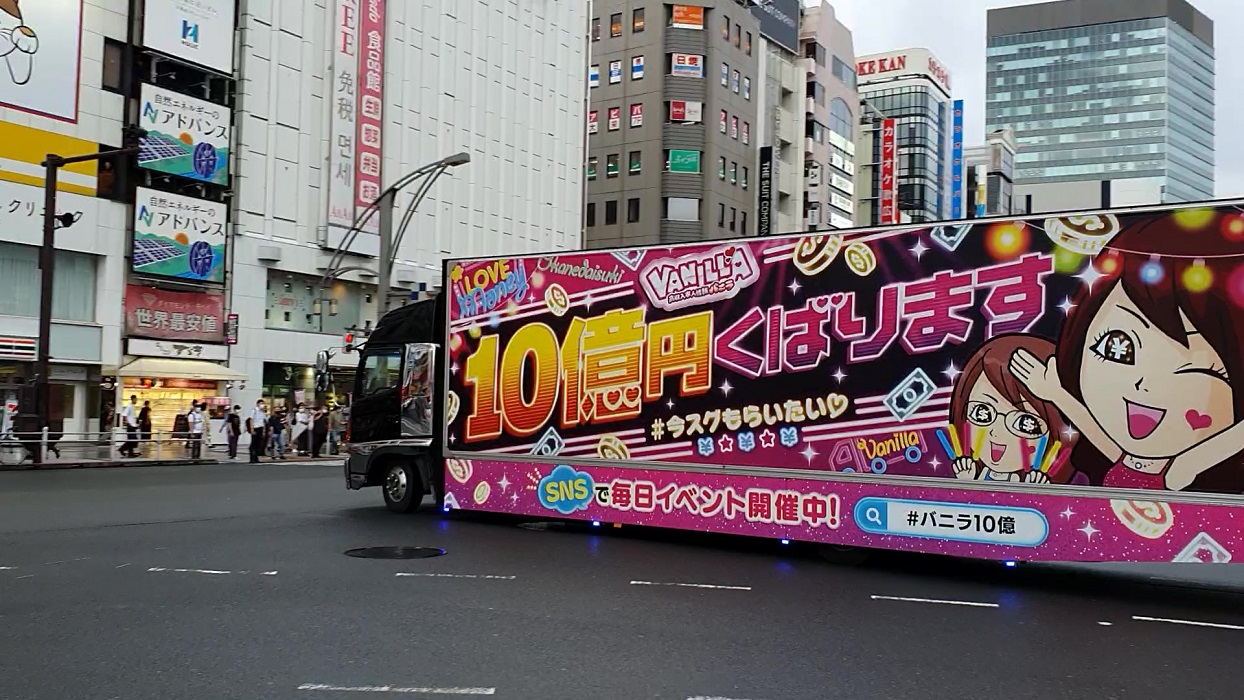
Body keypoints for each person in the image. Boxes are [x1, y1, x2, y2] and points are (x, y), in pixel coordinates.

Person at [1011, 209, 1244, 493]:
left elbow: (1230, 440)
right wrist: (1056, 393)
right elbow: (1095, 431)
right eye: (1116, 347)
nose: (1144, 384)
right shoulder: (1123, 458)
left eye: (1197, 369)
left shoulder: (1179, 471)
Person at [949, 335, 1081, 485]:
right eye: (981, 413)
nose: (996, 433)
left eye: (1025, 424)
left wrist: (1035, 492)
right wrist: (967, 482)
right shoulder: (978, 473)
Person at [248, 400, 268, 464]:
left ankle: (256, 458)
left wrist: (264, 431)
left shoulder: (262, 412)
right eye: (261, 403)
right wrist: (252, 429)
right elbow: (251, 420)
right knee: (253, 444)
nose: (262, 405)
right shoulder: (254, 410)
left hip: (260, 428)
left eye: (263, 404)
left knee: (258, 444)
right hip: (255, 428)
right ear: (257, 404)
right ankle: (252, 458)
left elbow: (263, 421)